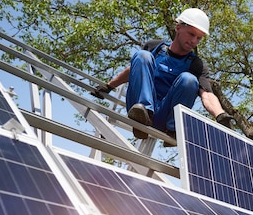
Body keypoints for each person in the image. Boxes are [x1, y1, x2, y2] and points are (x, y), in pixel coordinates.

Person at [92, 8, 233, 143]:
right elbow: (134, 70)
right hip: (138, 109)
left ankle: (173, 129)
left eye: (199, 38)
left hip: (165, 118)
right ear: (178, 28)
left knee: (189, 79)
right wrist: (109, 86)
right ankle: (144, 112)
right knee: (142, 55)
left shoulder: (196, 64)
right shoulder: (155, 47)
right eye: (191, 34)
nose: (194, 41)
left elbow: (207, 94)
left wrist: (220, 115)